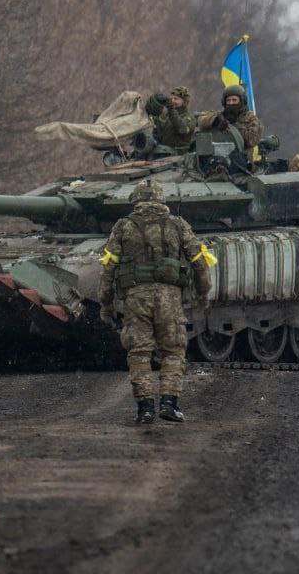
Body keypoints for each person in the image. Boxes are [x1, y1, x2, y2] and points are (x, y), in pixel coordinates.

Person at [97, 178, 216, 424]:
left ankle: (145, 408)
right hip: (169, 297)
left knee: (139, 352)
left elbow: (108, 266)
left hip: (136, 298)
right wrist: (203, 292)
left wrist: (106, 302)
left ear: (136, 201)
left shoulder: (123, 226)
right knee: (172, 351)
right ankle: (169, 405)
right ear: (162, 200)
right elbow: (199, 260)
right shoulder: (178, 224)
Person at [198, 84, 263, 160]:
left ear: (242, 101)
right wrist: (216, 121)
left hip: (242, 162)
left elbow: (252, 140)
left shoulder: (251, 119)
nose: (231, 103)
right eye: (228, 100)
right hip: (217, 158)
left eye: (234, 100)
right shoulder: (221, 115)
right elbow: (200, 120)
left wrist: (234, 125)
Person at [143, 86, 196, 154]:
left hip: (179, 155)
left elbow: (182, 129)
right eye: (171, 99)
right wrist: (153, 107)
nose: (172, 101)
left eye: (176, 99)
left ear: (184, 102)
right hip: (162, 152)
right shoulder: (166, 115)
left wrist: (171, 109)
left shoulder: (189, 118)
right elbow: (155, 127)